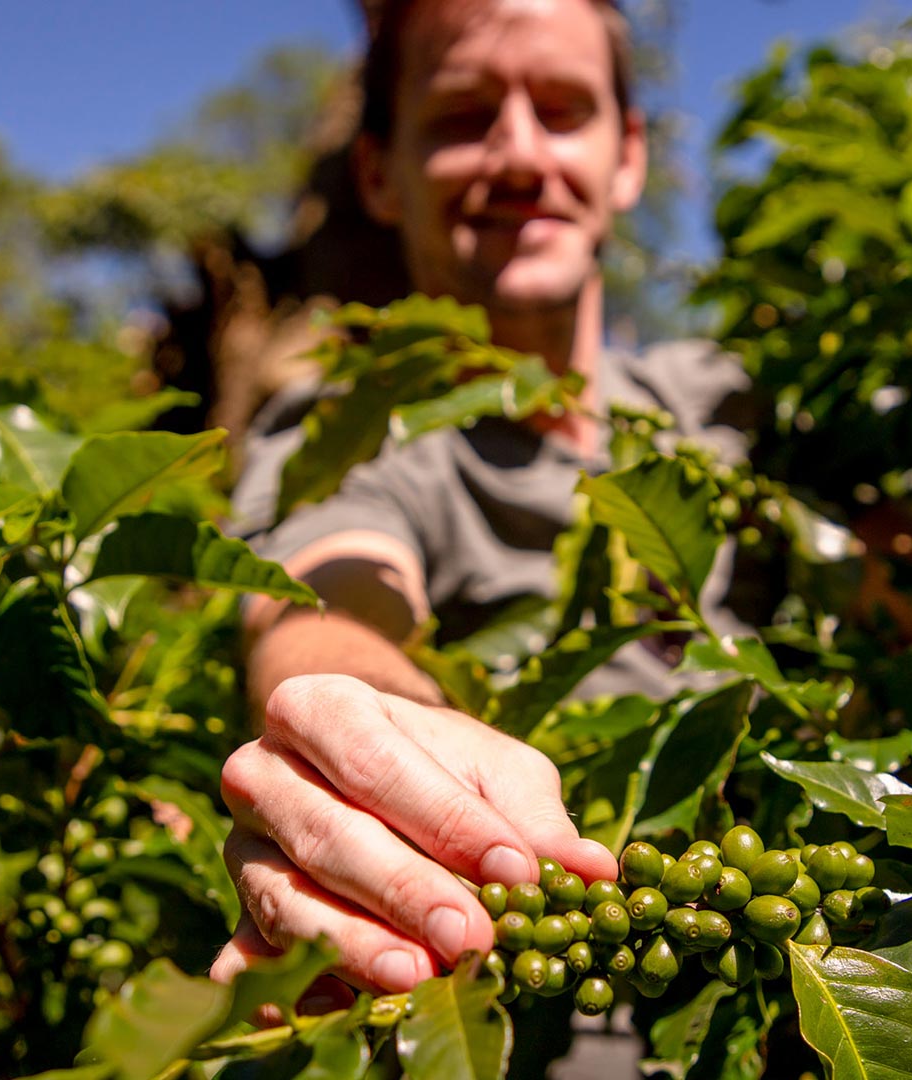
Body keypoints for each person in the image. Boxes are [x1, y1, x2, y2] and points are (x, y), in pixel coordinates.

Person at [211, 0, 764, 1002]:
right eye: (465, 116)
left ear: (628, 154)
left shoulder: (729, 408)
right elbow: (326, 588)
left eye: (562, 110)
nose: (519, 155)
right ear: (379, 172)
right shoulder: (358, 425)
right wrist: (366, 720)